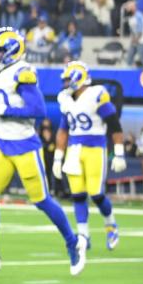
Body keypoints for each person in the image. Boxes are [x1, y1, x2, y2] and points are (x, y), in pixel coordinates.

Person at [0, 27, 87, 275]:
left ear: (11, 51)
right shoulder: (2, 73)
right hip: (2, 144)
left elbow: (38, 109)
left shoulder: (23, 72)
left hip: (24, 145)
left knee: (42, 201)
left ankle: (72, 242)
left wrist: (5, 111)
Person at [52, 62, 125, 251]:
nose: (65, 84)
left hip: (95, 148)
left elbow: (114, 124)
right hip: (74, 150)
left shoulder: (96, 95)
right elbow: (63, 130)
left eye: (68, 79)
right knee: (77, 195)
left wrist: (119, 152)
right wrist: (58, 157)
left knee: (96, 194)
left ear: (79, 78)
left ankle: (111, 225)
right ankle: (84, 235)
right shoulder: (66, 100)